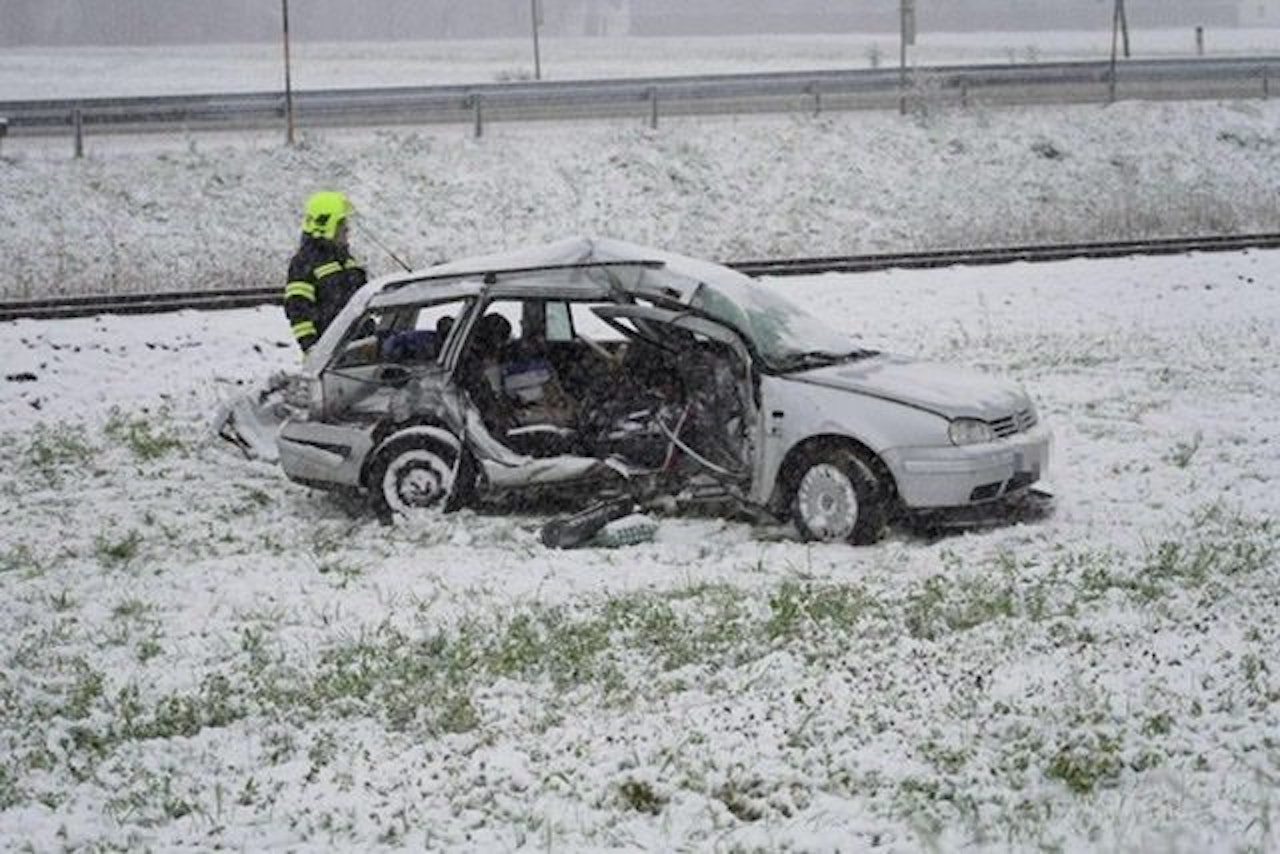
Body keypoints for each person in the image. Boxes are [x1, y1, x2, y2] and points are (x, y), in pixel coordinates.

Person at [283, 191, 368, 353]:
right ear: (327, 226)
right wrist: (311, 347)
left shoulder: (346, 260)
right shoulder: (305, 263)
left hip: (359, 346)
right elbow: (297, 309)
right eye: (341, 224)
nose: (347, 230)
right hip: (332, 354)